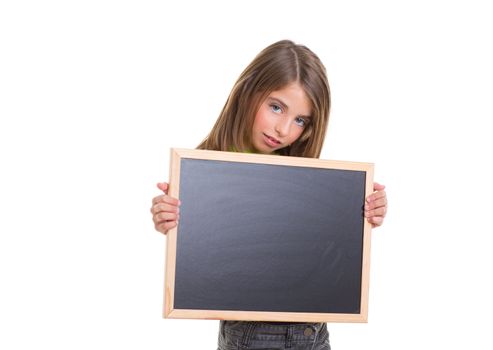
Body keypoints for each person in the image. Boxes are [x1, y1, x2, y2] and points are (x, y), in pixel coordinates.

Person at [150, 40, 388, 350]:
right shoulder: (205, 168)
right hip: (254, 336)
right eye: (276, 107)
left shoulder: (303, 178)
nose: (284, 130)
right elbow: (201, 253)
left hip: (314, 331)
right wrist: (168, 219)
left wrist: (365, 214)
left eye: (300, 120)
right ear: (247, 93)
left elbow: (322, 251)